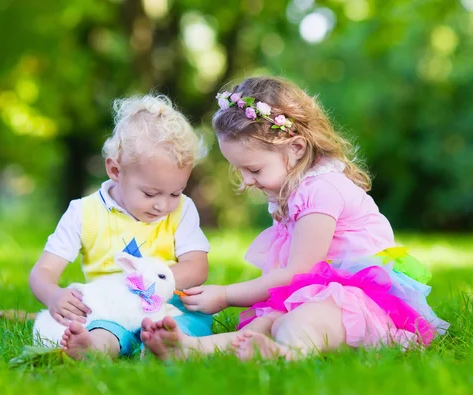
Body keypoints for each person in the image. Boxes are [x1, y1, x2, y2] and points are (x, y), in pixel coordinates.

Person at [140, 76, 449, 360]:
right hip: (317, 294)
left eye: (254, 170)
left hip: (359, 300)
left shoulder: (322, 191)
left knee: (304, 320)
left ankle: (288, 353)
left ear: (297, 147)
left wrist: (225, 295)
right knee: (271, 320)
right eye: (239, 170)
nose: (246, 181)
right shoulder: (290, 191)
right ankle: (190, 348)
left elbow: (299, 272)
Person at [29, 94, 212, 359]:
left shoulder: (183, 209)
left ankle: (167, 343)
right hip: (111, 308)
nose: (163, 205)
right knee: (103, 330)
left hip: (167, 305)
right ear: (115, 170)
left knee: (193, 317)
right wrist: (53, 296)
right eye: (150, 193)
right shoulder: (84, 213)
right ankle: (95, 348)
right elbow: (43, 271)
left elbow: (197, 267)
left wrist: (151, 288)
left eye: (175, 192)